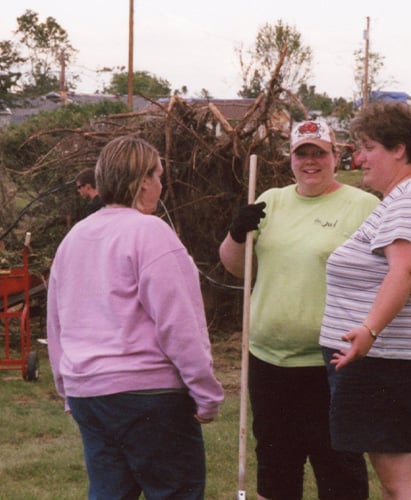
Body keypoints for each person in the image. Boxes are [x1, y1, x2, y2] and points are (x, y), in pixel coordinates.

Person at [47, 136, 224, 500]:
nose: (161, 184)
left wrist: (67, 389)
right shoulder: (150, 232)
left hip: (89, 395)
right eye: (158, 175)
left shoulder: (73, 238)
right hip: (147, 396)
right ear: (143, 179)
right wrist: (205, 393)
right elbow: (179, 323)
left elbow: (57, 324)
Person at [219, 118, 379, 500]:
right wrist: (237, 233)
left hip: (331, 362)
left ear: (335, 157)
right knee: (276, 467)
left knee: (337, 464)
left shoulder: (363, 206)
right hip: (268, 360)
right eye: (301, 153)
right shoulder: (270, 200)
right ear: (290, 159)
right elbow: (235, 266)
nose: (310, 162)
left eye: (319, 153)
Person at [319, 102, 411, 500]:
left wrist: (368, 330)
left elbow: (407, 270)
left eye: (367, 147)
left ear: (399, 149)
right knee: (399, 483)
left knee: (403, 484)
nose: (358, 158)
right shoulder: (405, 198)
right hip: (390, 361)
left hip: (392, 362)